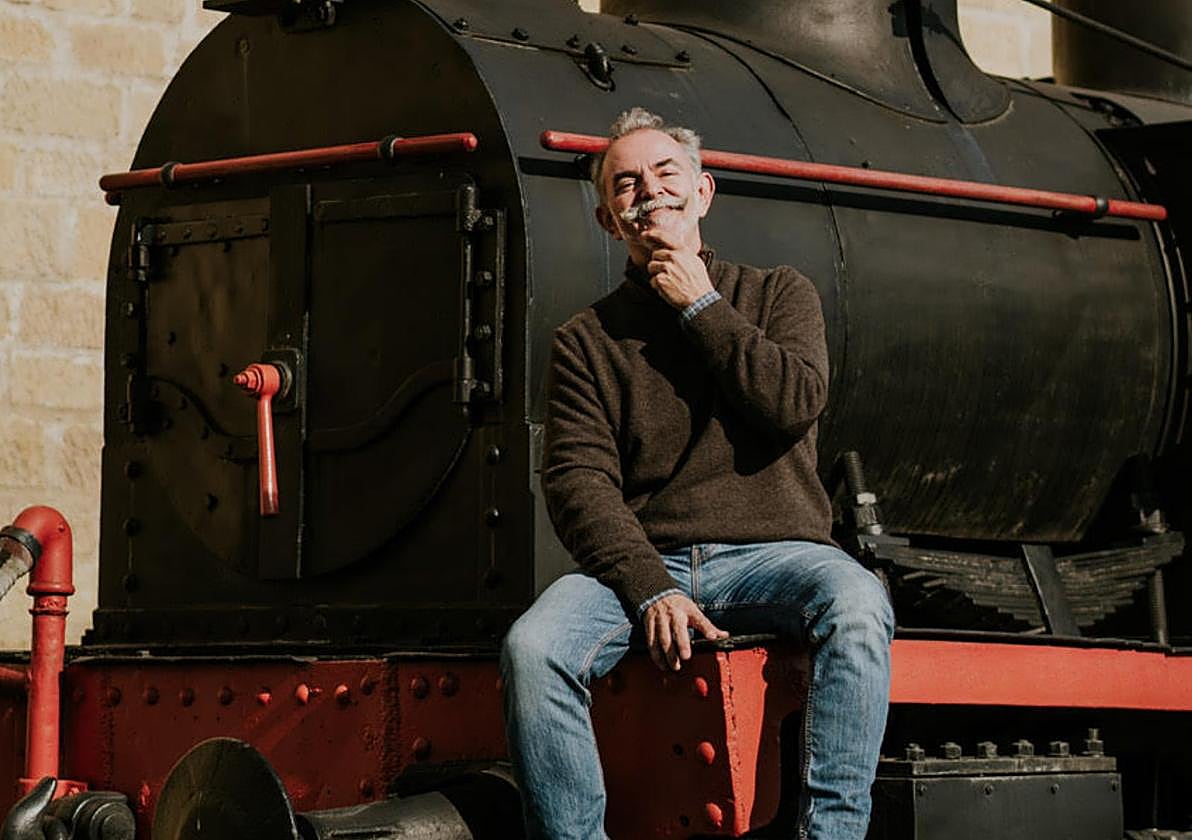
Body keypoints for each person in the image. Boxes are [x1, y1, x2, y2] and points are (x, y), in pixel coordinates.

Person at [501, 107, 893, 840]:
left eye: (665, 173)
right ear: (608, 220)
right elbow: (578, 481)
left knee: (859, 603)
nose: (648, 190)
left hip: (776, 555)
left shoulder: (780, 294)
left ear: (703, 192)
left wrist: (700, 305)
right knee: (533, 648)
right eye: (626, 184)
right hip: (646, 564)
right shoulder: (585, 340)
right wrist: (650, 586)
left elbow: (792, 403)